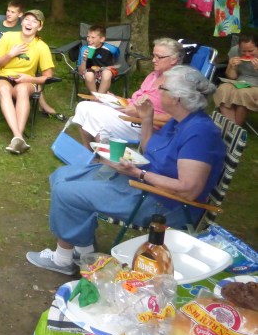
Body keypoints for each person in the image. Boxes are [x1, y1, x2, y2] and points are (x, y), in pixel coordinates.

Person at [26, 66, 224, 275]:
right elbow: (150, 149)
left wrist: (138, 173)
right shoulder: (180, 120)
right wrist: (147, 118)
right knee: (62, 176)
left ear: (177, 98)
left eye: (162, 88)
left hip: (163, 203)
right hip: (144, 183)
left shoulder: (200, 134)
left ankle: (63, 259)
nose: (156, 92)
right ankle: (84, 251)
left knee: (66, 193)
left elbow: (188, 190)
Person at [71, 38, 183, 148]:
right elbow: (135, 100)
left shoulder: (178, 83)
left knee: (94, 115)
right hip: (128, 113)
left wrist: (141, 114)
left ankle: (103, 158)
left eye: (159, 57)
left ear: (174, 59)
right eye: (153, 56)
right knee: (83, 106)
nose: (153, 60)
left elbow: (174, 118)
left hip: (143, 124)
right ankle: (89, 150)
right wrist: (116, 99)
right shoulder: (154, 75)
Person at [0, 0, 64, 121]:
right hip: (2, 63)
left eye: (13, 12)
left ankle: (42, 106)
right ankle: (41, 108)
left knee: (28, 83)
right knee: (14, 85)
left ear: (20, 15)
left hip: (26, 72)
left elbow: (44, 70)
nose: (9, 14)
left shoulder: (27, 31)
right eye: (8, 11)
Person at [0, 9, 55, 154]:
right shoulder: (8, 37)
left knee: (23, 89)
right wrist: (11, 54)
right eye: (27, 19)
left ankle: (16, 139)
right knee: (3, 89)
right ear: (22, 22)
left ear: (40, 27)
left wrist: (30, 79)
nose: (29, 23)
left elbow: (48, 76)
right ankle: (18, 136)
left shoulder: (41, 46)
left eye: (34, 21)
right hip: (4, 77)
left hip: (26, 80)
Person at [214, 33, 258, 126]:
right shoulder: (235, 51)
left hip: (255, 86)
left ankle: (235, 129)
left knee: (243, 93)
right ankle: (230, 127)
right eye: (243, 51)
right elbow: (232, 76)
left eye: (251, 51)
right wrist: (232, 67)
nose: (247, 54)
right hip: (239, 82)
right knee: (222, 89)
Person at [76, 25, 119, 94]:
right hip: (90, 72)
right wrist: (84, 60)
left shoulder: (111, 49)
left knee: (106, 73)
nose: (89, 39)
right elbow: (81, 72)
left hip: (106, 71)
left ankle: (99, 96)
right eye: (88, 37)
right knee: (89, 74)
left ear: (102, 39)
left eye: (93, 37)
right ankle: (95, 97)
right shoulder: (84, 49)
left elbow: (116, 58)